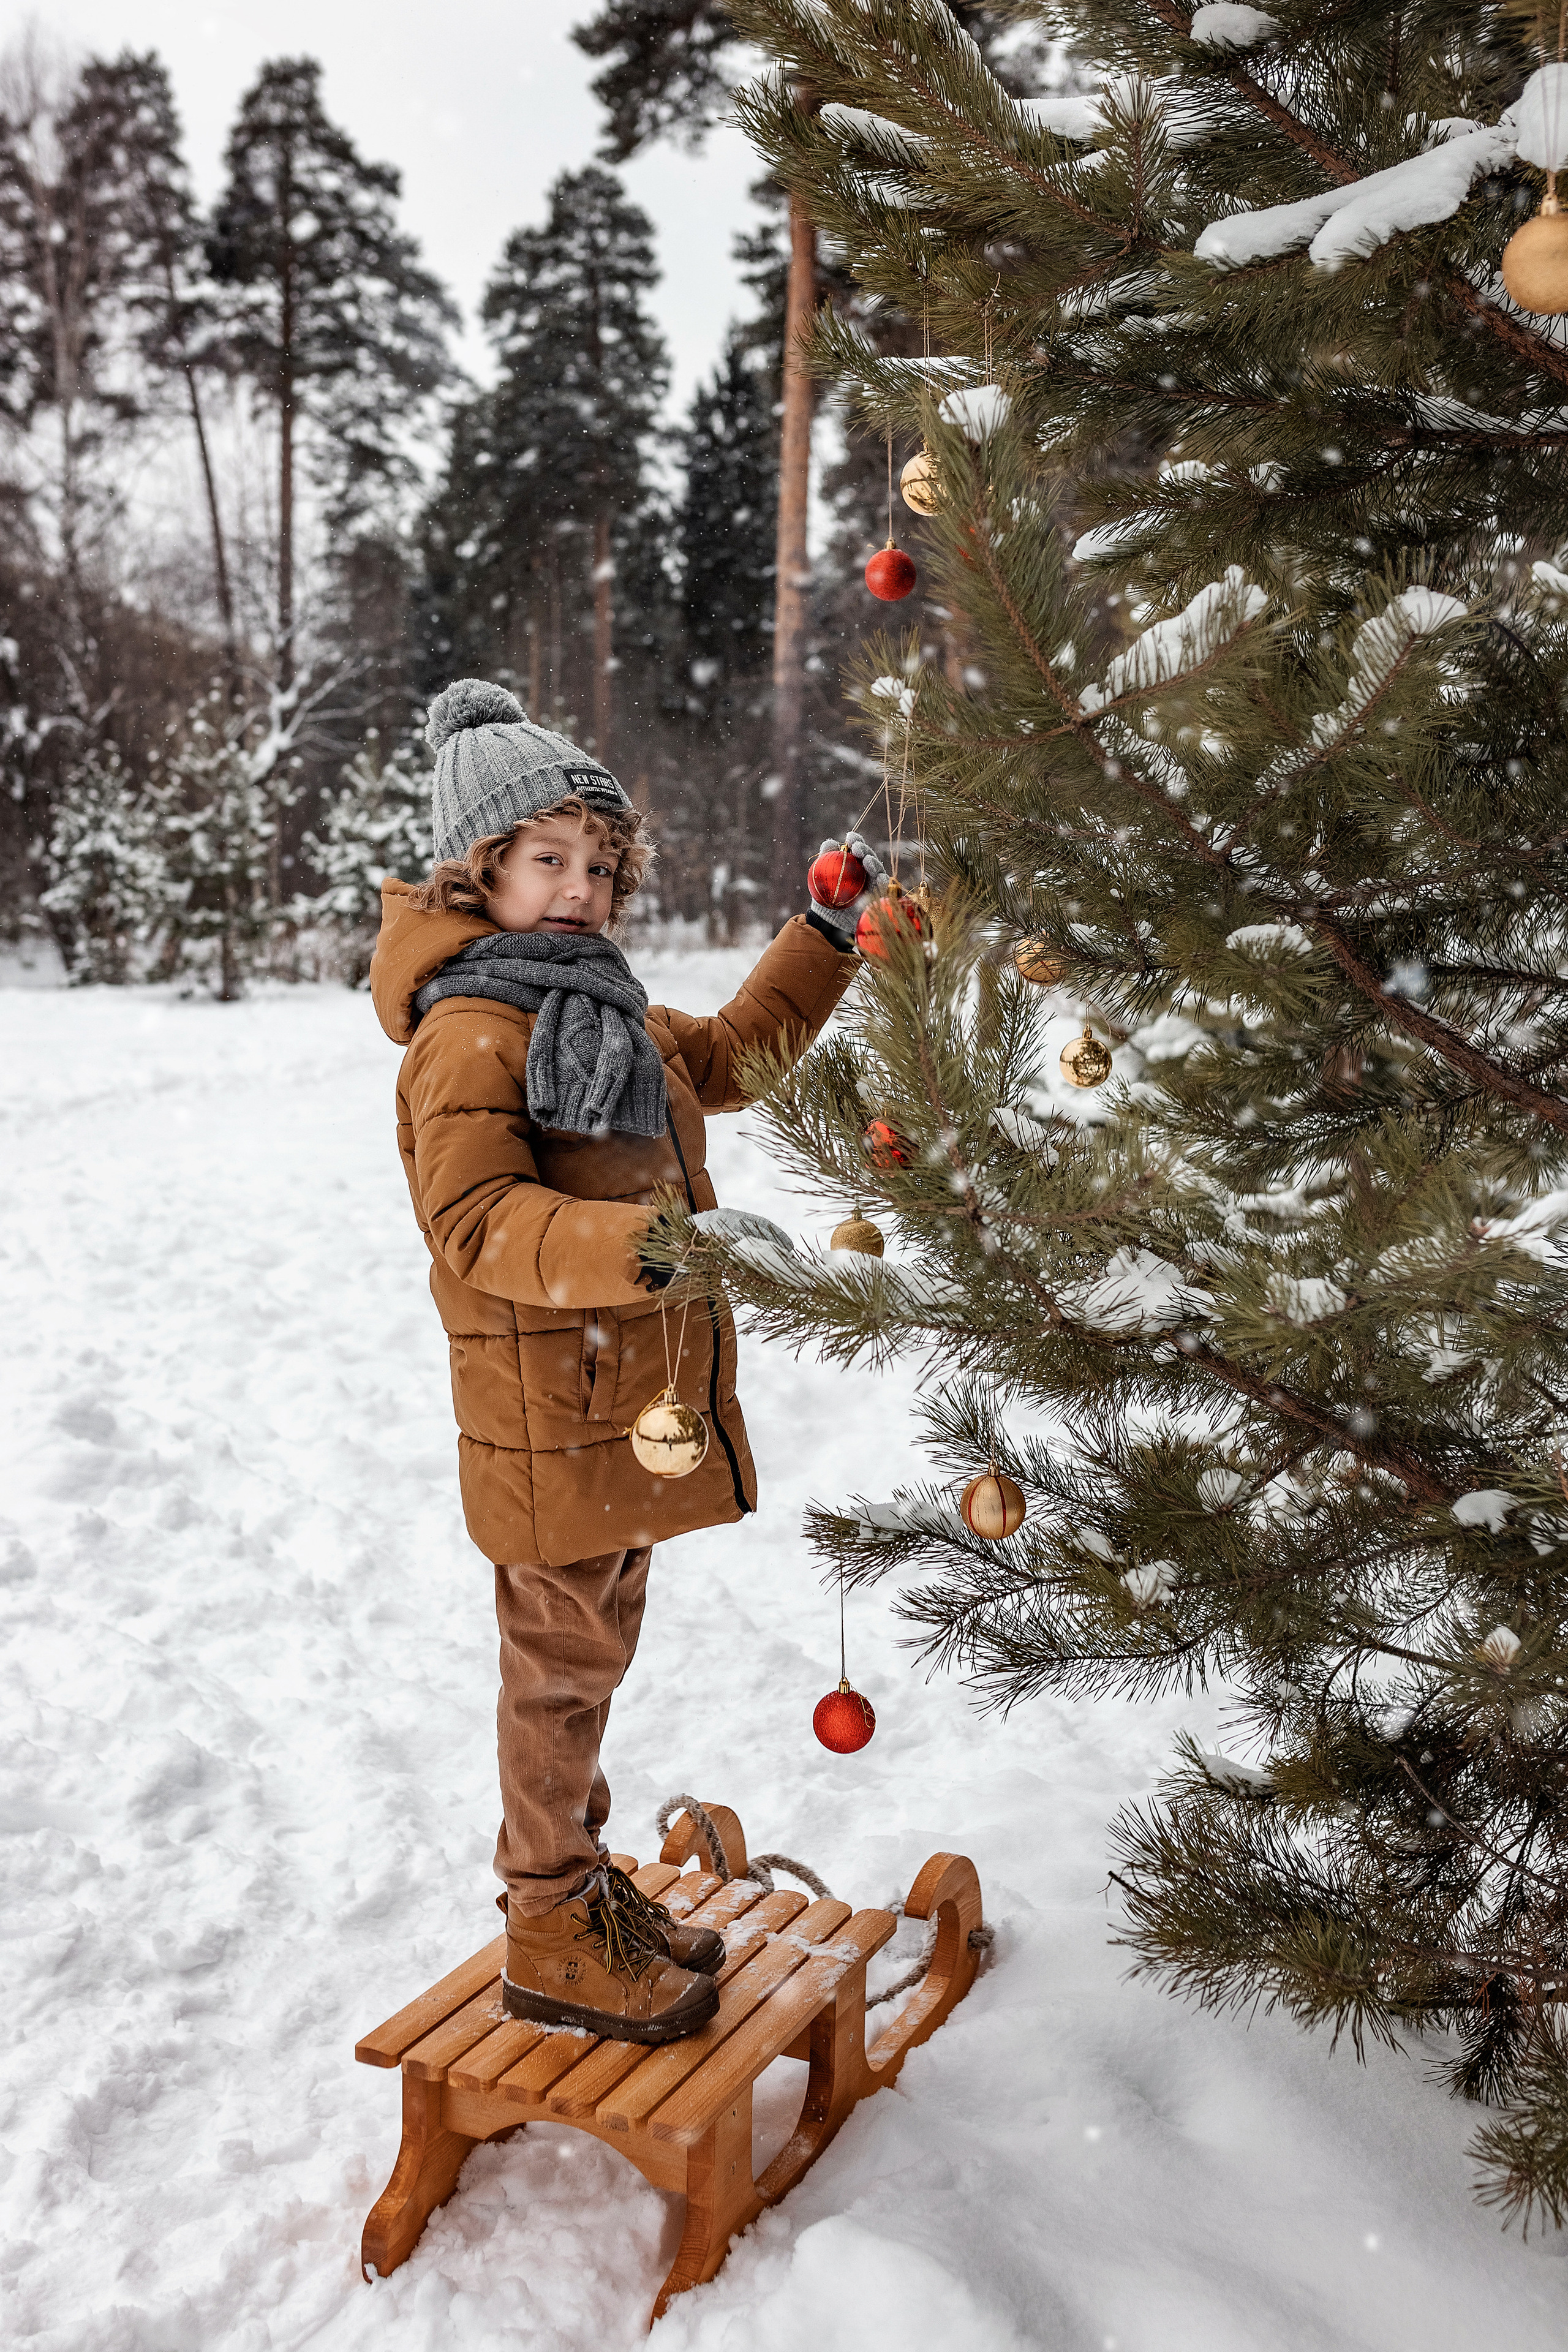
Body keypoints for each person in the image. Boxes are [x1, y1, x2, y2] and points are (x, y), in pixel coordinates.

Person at [369, 679, 884, 2045]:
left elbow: (731, 1057)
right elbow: (477, 1224)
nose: (584, 885)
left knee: (590, 1663)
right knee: (555, 1674)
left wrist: (823, 936)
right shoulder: (471, 1032)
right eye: (550, 859)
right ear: (478, 872)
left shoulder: (602, 1003)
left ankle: (583, 1892)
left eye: (600, 863)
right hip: (549, 1411)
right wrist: (642, 1249)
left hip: (620, 1406)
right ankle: (547, 1930)